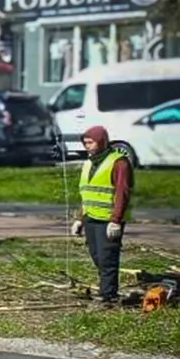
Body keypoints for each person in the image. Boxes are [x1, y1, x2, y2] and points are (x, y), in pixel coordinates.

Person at [71, 124, 133, 307]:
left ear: (102, 142)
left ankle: (108, 297)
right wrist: (79, 218)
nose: (87, 146)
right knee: (96, 255)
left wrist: (116, 220)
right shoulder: (89, 163)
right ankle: (107, 288)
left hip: (108, 219)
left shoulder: (119, 162)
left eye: (90, 143)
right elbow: (87, 193)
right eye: (85, 143)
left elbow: (122, 192)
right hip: (91, 217)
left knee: (107, 258)